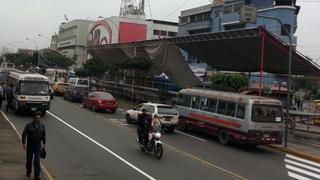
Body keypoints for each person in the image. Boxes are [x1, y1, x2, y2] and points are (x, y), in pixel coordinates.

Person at [22, 111, 46, 180]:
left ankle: (36, 176)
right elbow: (24, 134)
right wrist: (24, 143)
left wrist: (44, 144)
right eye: (36, 118)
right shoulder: (28, 125)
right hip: (30, 145)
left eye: (39, 118)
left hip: (38, 145)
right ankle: (28, 171)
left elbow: (44, 135)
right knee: (29, 160)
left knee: (37, 161)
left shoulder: (42, 126)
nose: (38, 119)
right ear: (33, 118)